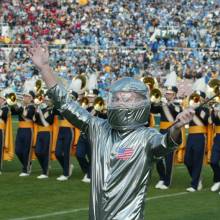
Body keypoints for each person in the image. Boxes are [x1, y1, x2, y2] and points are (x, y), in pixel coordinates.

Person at [29, 44, 195, 220]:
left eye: (127, 100)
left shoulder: (146, 137)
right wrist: (45, 68)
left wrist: (176, 128)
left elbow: (165, 144)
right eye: (116, 99)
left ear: (140, 104)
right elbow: (65, 104)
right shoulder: (97, 128)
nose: (119, 103)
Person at [150, 86, 182, 189]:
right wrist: (153, 101)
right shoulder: (162, 105)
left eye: (169, 93)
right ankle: (162, 178)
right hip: (162, 132)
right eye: (166, 93)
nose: (167, 95)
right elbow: (153, 110)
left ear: (174, 95)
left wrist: (168, 103)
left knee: (169, 158)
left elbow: (178, 112)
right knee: (158, 156)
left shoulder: (177, 105)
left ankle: (167, 182)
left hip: (172, 133)